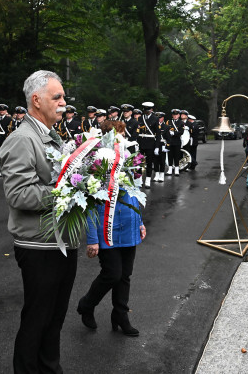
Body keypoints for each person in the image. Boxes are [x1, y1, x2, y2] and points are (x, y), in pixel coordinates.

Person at [0, 70, 77, 374]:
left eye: (63, 97)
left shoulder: (51, 135)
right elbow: (19, 195)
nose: (63, 102)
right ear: (36, 100)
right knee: (38, 319)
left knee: (54, 319)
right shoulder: (21, 139)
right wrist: (70, 190)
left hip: (60, 241)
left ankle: (50, 369)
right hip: (39, 244)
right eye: (57, 97)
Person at [77, 120, 146, 337]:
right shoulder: (95, 164)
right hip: (105, 227)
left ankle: (120, 314)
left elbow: (134, 194)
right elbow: (88, 205)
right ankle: (87, 304)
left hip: (129, 226)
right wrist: (91, 238)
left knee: (125, 275)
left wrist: (140, 222)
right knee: (112, 273)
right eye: (118, 133)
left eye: (123, 133)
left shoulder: (128, 158)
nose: (122, 137)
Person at [137, 102, 158, 187]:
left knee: (149, 162)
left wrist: (156, 147)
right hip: (141, 142)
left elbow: (158, 134)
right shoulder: (140, 118)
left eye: (148, 109)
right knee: (139, 162)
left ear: (152, 110)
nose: (146, 111)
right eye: (145, 109)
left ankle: (148, 179)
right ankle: (139, 179)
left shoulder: (155, 118)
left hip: (150, 143)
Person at [165, 109, 184, 176]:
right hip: (170, 141)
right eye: (174, 115)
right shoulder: (169, 122)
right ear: (172, 115)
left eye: (176, 115)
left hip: (177, 141)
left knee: (176, 155)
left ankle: (176, 169)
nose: (175, 116)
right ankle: (170, 169)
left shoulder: (181, 122)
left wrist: (174, 133)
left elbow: (181, 132)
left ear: (179, 115)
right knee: (170, 155)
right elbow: (166, 130)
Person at [153, 111, 168, 182]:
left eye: (160, 118)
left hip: (162, 144)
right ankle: (156, 174)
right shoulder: (153, 126)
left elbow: (169, 138)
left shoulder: (166, 127)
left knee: (162, 161)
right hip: (155, 144)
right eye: (157, 118)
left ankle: (162, 175)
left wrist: (167, 146)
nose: (159, 119)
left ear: (163, 118)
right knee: (155, 160)